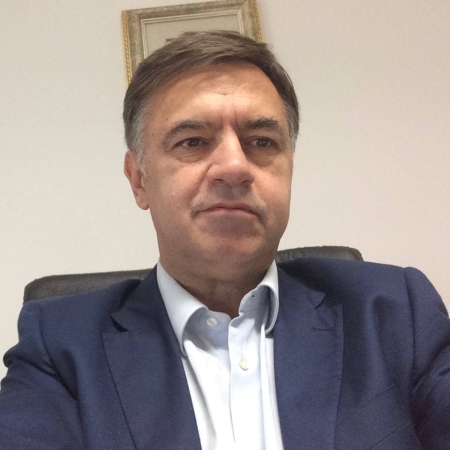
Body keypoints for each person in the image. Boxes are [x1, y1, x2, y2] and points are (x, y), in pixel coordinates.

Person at [0, 31, 449, 450]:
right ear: (138, 181)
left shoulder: (396, 314)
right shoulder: (60, 347)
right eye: (193, 142)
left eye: (262, 141)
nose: (235, 167)